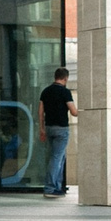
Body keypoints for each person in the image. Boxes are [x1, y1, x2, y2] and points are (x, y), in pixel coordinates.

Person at [39, 67, 77, 197]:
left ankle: (58, 186)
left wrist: (42, 129)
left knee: (60, 157)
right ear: (65, 78)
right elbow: (73, 111)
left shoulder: (46, 91)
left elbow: (40, 112)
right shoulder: (65, 92)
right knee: (56, 158)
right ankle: (50, 188)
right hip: (61, 128)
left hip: (49, 128)